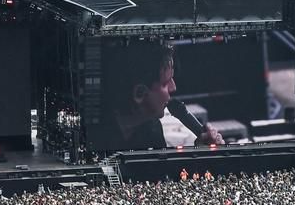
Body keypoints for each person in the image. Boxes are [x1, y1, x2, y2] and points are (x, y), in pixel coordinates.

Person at [94, 43, 223, 150]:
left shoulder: (153, 129)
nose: (174, 88)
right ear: (139, 93)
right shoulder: (98, 135)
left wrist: (201, 150)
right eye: (166, 83)